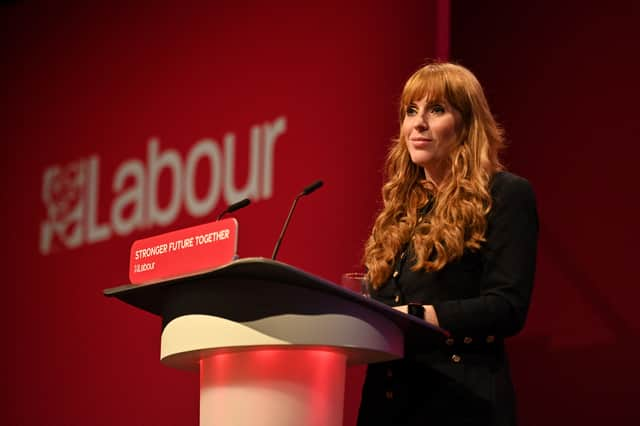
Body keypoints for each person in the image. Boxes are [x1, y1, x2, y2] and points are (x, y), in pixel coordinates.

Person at [357, 61, 538, 426]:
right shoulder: (401, 210)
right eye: (411, 111)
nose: (418, 123)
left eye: (436, 110)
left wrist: (421, 317)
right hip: (387, 404)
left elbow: (507, 306)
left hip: (459, 402)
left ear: (467, 126)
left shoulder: (505, 193)